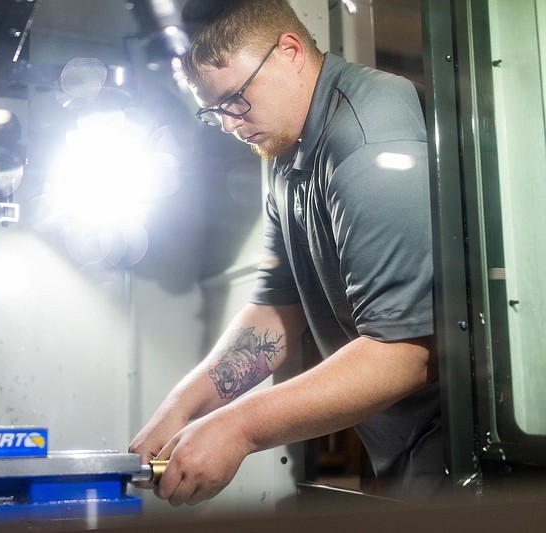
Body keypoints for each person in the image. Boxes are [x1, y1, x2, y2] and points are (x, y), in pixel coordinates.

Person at [129, 0, 443, 506]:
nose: (230, 125)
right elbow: (278, 308)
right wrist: (180, 409)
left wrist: (238, 429)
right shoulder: (287, 150)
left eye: (236, 99)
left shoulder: (366, 140)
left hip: (473, 460)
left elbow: (402, 355)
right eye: (216, 112)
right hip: (413, 460)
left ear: (290, 51)